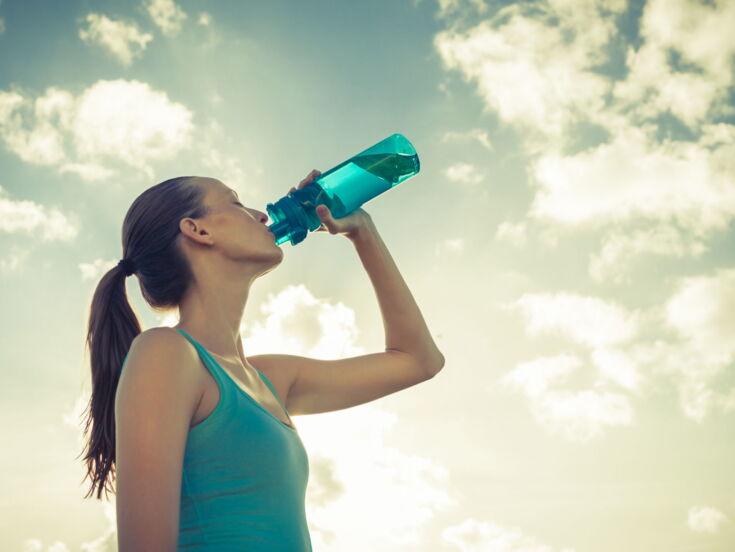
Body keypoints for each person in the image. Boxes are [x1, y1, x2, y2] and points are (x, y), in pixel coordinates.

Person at [80, 170, 445, 551]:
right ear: (198, 230)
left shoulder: (270, 379)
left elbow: (419, 360)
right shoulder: (166, 353)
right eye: (236, 203)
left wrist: (362, 232)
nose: (261, 215)